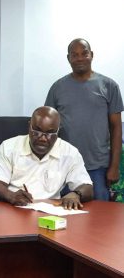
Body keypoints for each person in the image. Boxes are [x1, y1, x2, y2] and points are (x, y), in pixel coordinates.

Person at [45, 38, 123, 201]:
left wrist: (114, 166)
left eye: (84, 53)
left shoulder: (109, 86)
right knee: (66, 217)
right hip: (64, 166)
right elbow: (48, 128)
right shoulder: (57, 88)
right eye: (75, 55)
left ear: (91, 55)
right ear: (69, 58)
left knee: (100, 217)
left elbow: (116, 128)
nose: (80, 58)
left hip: (98, 166)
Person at [0, 106, 93, 210]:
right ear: (29, 126)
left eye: (50, 133)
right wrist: (11, 196)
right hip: (14, 207)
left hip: (52, 211)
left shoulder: (70, 153)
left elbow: (87, 187)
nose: (43, 138)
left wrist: (76, 194)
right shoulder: (9, 147)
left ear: (57, 132)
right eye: (37, 131)